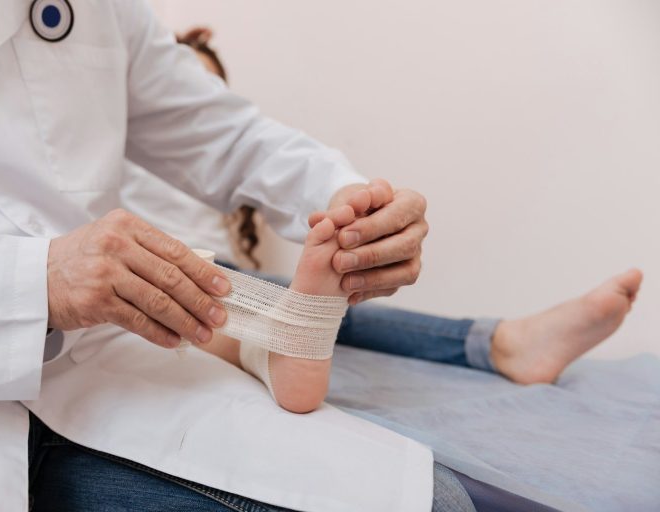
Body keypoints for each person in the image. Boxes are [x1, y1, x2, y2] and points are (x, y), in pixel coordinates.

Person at [0, 2, 449, 512]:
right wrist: (39, 281)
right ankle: (269, 342)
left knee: (435, 502)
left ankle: (272, 342)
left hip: (99, 352)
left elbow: (223, 132)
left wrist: (345, 202)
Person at [123, 27, 644, 398]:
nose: (200, 94)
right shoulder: (114, 151)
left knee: (317, 300)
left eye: (212, 88)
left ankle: (498, 343)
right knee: (240, 298)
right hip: (166, 264)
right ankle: (498, 343)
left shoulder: (197, 132)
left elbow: (238, 142)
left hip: (226, 270)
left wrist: (348, 202)